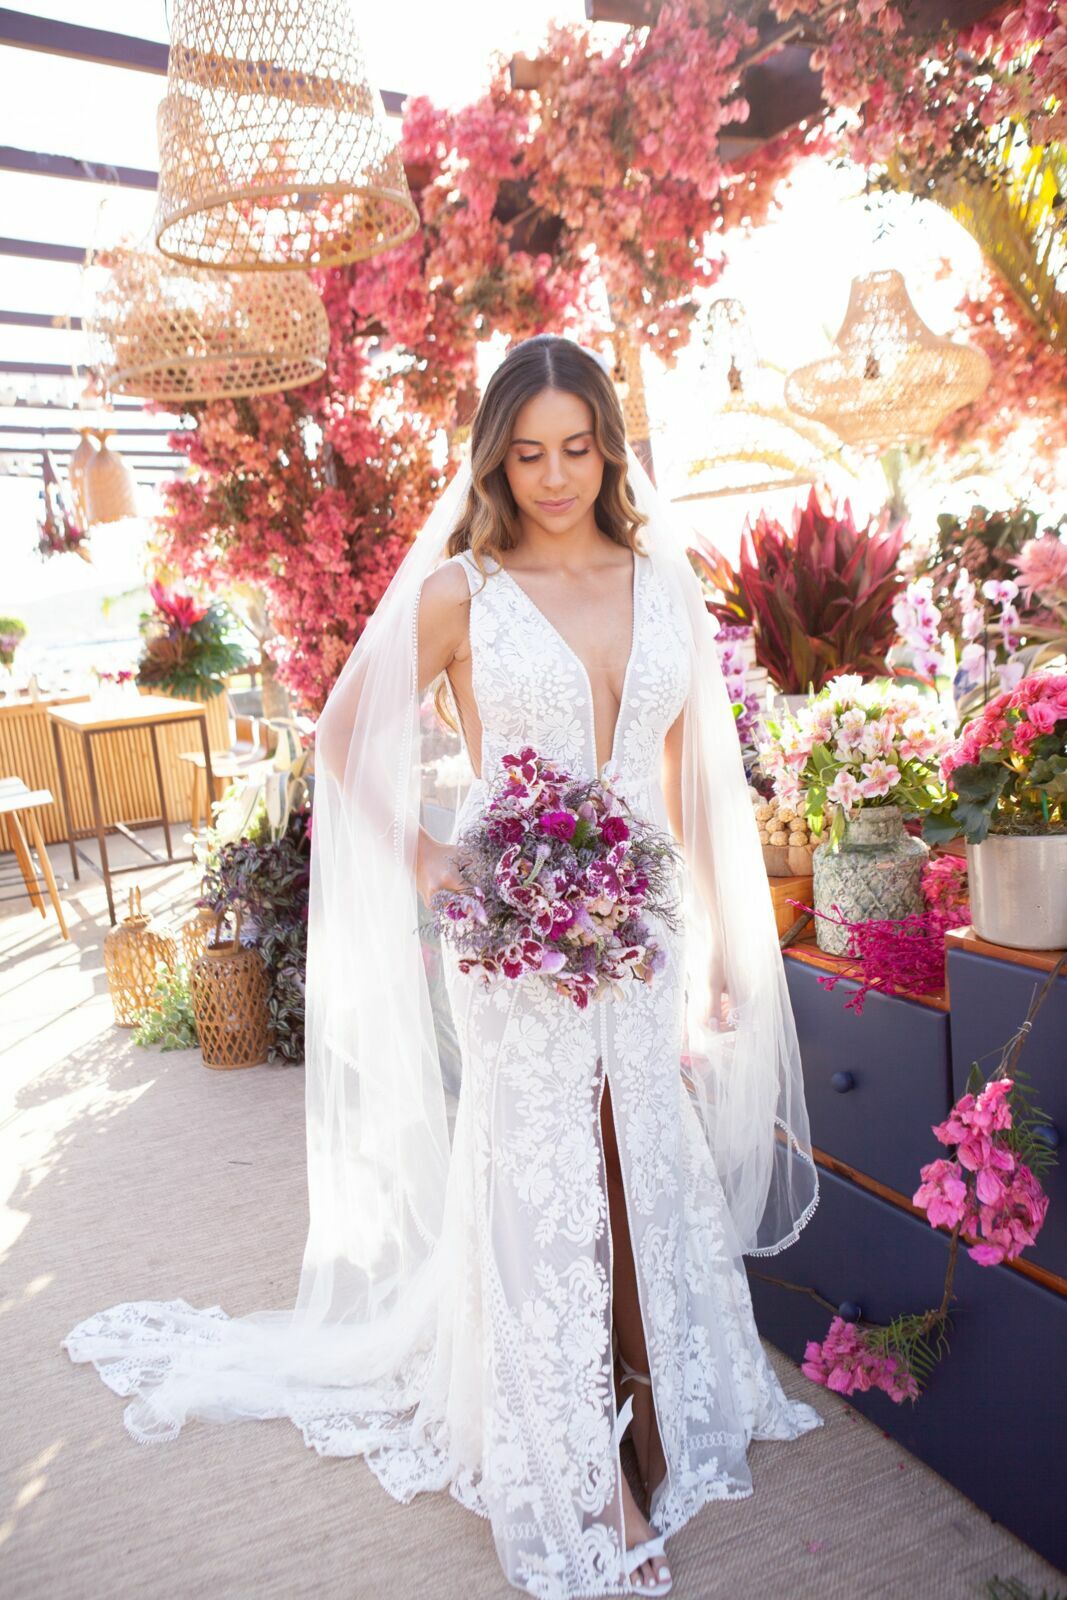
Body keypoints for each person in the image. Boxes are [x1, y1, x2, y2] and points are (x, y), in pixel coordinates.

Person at [64, 335, 822, 1600]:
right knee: (536, 1177)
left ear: (608, 448)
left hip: (637, 925)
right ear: (495, 457)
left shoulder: (657, 582)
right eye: (526, 452)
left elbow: (688, 776)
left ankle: (664, 1406)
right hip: (513, 925)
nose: (553, 473)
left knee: (638, 1148)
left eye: (576, 447)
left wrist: (718, 946)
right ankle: (581, 1480)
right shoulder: (461, 592)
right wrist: (423, 857)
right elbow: (345, 735)